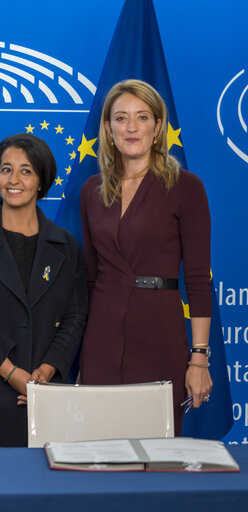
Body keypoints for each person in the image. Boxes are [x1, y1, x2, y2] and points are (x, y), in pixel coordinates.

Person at [79, 79, 213, 435]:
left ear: (158, 127)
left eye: (142, 117)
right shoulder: (91, 192)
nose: (131, 127)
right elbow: (90, 277)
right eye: (121, 118)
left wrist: (199, 357)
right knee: (97, 451)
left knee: (157, 458)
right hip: (101, 336)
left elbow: (198, 280)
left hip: (159, 331)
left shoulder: (187, 188)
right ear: (108, 130)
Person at [0, 133, 87, 447]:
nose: (14, 179)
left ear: (41, 181)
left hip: (45, 398)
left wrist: (46, 373)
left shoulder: (66, 246)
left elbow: (75, 317)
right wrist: (14, 374)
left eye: (26, 171)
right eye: (6, 169)